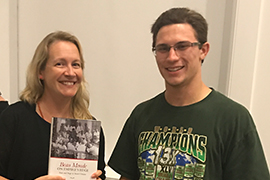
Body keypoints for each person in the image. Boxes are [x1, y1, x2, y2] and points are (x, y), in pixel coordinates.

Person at [108, 7, 270, 180]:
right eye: (163, 48)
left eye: (182, 46)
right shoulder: (141, 115)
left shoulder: (233, 119)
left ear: (203, 50)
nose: (172, 57)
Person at [0, 31, 106, 180]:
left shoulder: (91, 130)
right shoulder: (14, 119)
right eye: (60, 64)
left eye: (76, 64)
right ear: (40, 72)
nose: (70, 72)